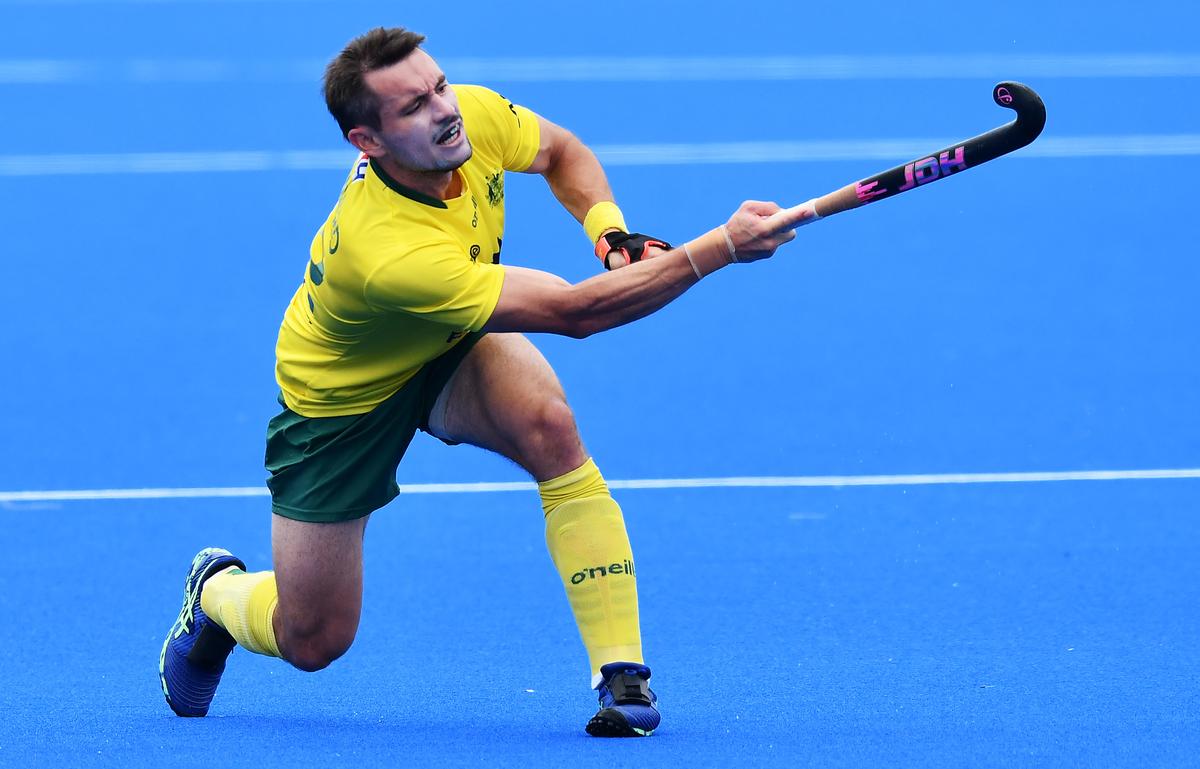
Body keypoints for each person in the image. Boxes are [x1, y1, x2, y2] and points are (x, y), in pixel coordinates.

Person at [159, 26, 812, 738]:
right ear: (367, 142)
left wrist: (611, 233)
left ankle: (623, 676)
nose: (443, 109)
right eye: (412, 106)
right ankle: (215, 590)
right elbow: (574, 312)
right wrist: (718, 248)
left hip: (445, 341)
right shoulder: (388, 251)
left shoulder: (468, 118)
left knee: (550, 428)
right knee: (314, 638)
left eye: (439, 86)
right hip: (341, 405)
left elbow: (562, 151)